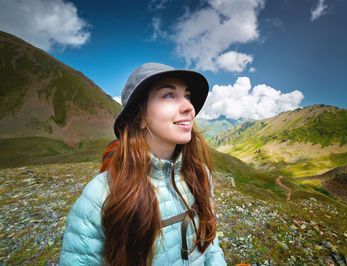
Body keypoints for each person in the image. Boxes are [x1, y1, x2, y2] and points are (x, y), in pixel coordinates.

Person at [59, 63, 227, 266]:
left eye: (188, 96)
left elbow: (210, 243)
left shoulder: (201, 175)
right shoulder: (99, 196)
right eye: (168, 95)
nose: (189, 107)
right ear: (140, 117)